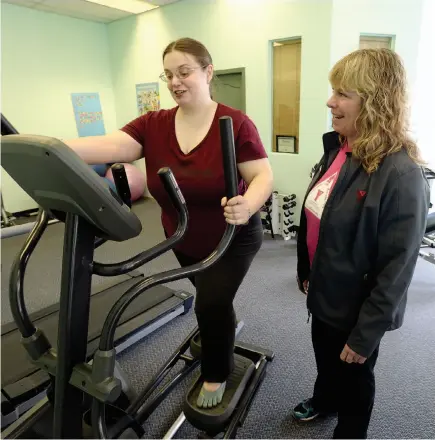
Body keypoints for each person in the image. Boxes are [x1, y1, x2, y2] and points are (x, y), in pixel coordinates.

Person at [65, 37, 273, 409]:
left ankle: (216, 373)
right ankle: (220, 323)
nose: (176, 82)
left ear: (207, 72)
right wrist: (52, 146)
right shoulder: (153, 124)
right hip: (181, 237)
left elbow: (262, 176)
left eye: (185, 72)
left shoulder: (236, 122)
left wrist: (249, 204)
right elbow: (113, 146)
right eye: (169, 75)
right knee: (212, 300)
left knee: (208, 305)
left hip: (232, 237)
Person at [292, 48, 430, 439]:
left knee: (355, 377)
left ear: (375, 103)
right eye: (333, 90)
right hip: (324, 290)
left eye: (343, 93)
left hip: (358, 308)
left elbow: (397, 269)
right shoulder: (339, 148)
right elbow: (318, 215)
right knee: (326, 360)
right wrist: (306, 271)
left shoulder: (402, 175)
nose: (330, 101)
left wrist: (366, 333)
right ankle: (325, 399)